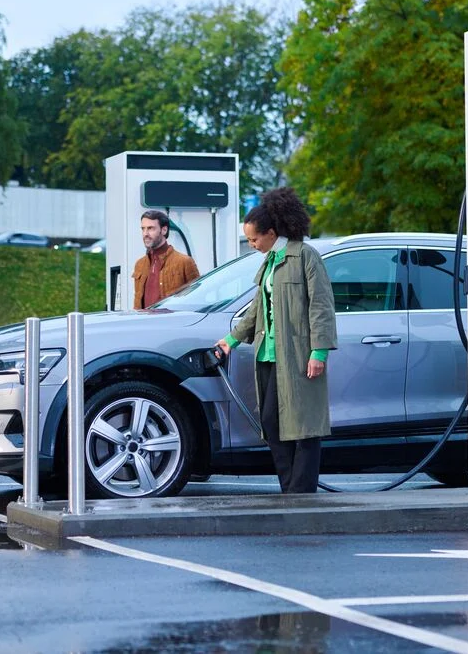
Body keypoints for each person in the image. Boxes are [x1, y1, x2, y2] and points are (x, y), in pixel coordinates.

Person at [215, 187, 337, 494]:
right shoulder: (269, 261)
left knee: (304, 427)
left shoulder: (304, 256)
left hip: (299, 356)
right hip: (268, 356)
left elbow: (321, 305)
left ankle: (300, 493)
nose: (252, 244)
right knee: (271, 424)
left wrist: (319, 352)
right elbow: (258, 307)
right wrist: (231, 339)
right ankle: (290, 489)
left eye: (255, 238)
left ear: (271, 232)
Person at [132, 210, 200, 309]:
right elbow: (137, 302)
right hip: (144, 322)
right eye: (143, 229)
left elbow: (197, 299)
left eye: (150, 228)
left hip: (172, 323)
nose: (145, 233)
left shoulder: (184, 262)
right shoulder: (140, 264)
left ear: (164, 230)